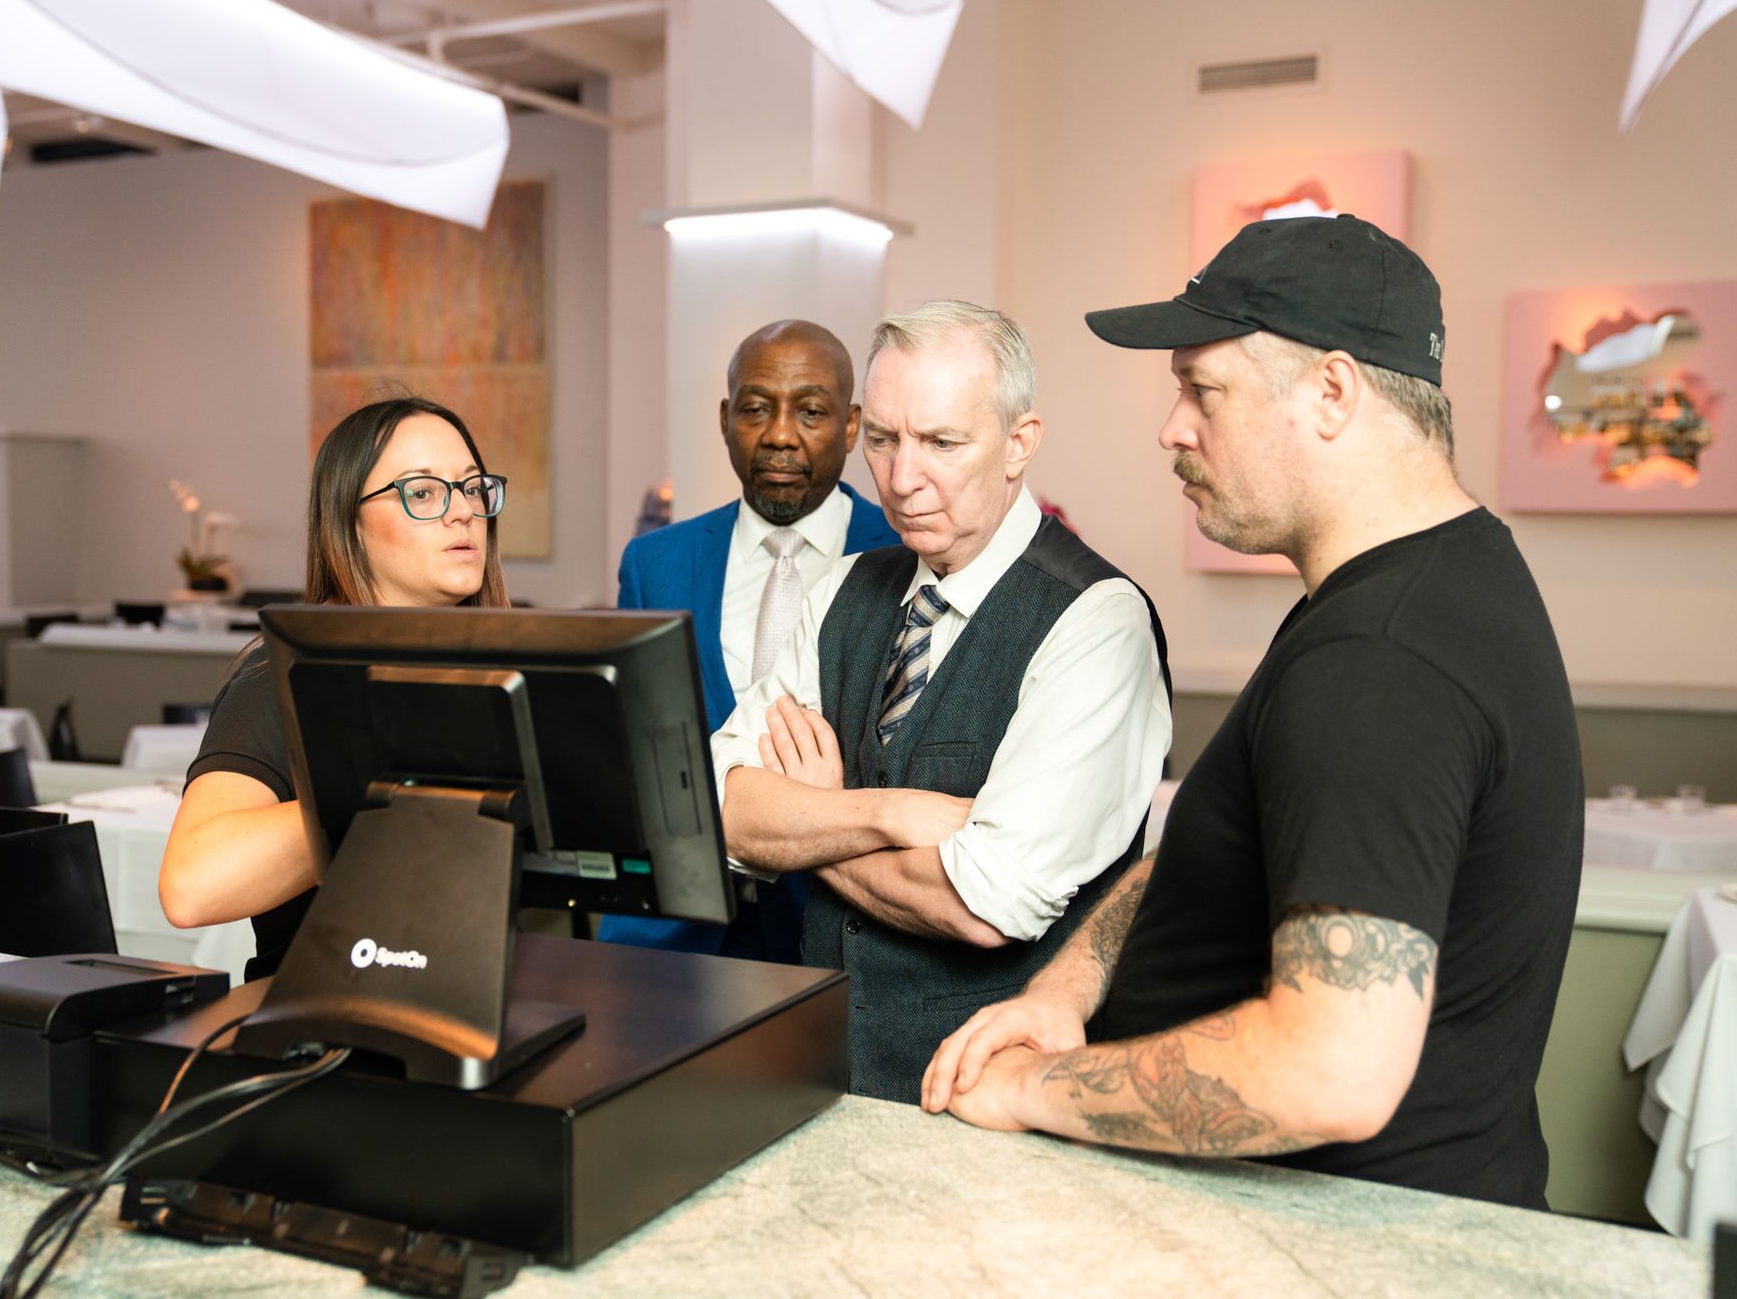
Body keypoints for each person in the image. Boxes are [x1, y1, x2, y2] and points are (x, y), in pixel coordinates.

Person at [921, 216, 1583, 1210]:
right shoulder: (1433, 578)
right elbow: (1218, 852)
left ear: (1330, 391)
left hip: (1341, 1245)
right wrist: (1066, 990)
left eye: (1203, 389)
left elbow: (1329, 1072)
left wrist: (1029, 1088)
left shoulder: (1378, 662)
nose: (1171, 426)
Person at [714, 300, 1172, 1103]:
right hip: (809, 1074)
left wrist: (812, 816)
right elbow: (717, 807)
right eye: (884, 440)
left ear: (1019, 444)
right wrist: (886, 813)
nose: (901, 477)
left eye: (941, 443)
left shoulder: (1097, 621)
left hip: (984, 1101)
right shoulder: (841, 589)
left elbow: (984, 904)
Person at [158, 396, 511, 980]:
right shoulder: (286, 675)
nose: (462, 512)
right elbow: (193, 884)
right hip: (330, 1018)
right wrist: (401, 790)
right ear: (349, 521)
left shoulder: (511, 672)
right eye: (421, 492)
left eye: (473, 488)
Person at [602, 319, 897, 961]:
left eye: (811, 411)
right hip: (671, 930)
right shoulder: (655, 564)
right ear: (725, 418)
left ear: (851, 426)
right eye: (756, 409)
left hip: (838, 928)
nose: (781, 435)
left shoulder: (904, 558)